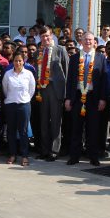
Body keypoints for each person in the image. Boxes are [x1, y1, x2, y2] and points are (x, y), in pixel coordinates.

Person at [65, 32, 107, 166]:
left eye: (90, 39)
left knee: (93, 128)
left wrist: (102, 99)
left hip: (93, 97)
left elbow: (104, 79)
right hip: (78, 96)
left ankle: (93, 156)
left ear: (94, 42)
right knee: (76, 128)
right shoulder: (75, 58)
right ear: (81, 42)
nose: (88, 42)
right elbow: (70, 79)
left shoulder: (101, 57)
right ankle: (74, 156)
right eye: (85, 39)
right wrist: (68, 98)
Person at [35, 25, 69, 161]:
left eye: (47, 36)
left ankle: (54, 151)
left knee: (55, 121)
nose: (45, 38)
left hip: (55, 90)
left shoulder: (60, 50)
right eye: (42, 36)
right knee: (43, 121)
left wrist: (66, 94)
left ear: (52, 36)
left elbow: (66, 72)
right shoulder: (39, 52)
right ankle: (44, 150)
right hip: (42, 90)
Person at [2, 52, 35, 166]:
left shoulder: (28, 74)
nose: (18, 63)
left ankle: (24, 155)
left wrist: (24, 99)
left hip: (24, 105)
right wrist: (12, 99)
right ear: (13, 62)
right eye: (15, 61)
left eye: (20, 60)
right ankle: (12, 154)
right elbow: (5, 89)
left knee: (23, 131)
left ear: (23, 61)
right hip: (10, 104)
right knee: (11, 131)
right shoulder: (8, 74)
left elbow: (31, 90)